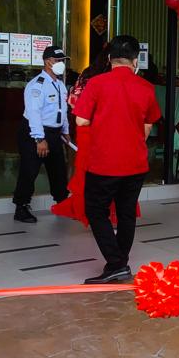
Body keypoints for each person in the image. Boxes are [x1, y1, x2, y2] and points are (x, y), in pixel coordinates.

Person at [74, 35, 162, 284]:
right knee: (126, 213)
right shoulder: (146, 87)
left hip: (103, 161)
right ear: (135, 61)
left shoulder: (96, 83)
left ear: (110, 58)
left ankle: (116, 264)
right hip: (135, 162)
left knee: (95, 210)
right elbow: (148, 124)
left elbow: (81, 120)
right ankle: (120, 262)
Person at [53, 47, 137, 226]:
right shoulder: (113, 79)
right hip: (107, 129)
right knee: (113, 169)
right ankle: (110, 211)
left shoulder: (87, 75)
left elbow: (73, 102)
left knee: (89, 171)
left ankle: (91, 211)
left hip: (86, 129)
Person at [12, 45, 70, 223]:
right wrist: (39, 139)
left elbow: (62, 110)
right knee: (29, 171)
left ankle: (62, 202)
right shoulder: (37, 85)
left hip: (54, 133)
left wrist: (65, 131)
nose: (61, 63)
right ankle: (21, 207)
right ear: (47, 62)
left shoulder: (60, 85)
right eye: (58, 60)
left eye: (63, 60)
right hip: (34, 133)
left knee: (58, 170)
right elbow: (34, 113)